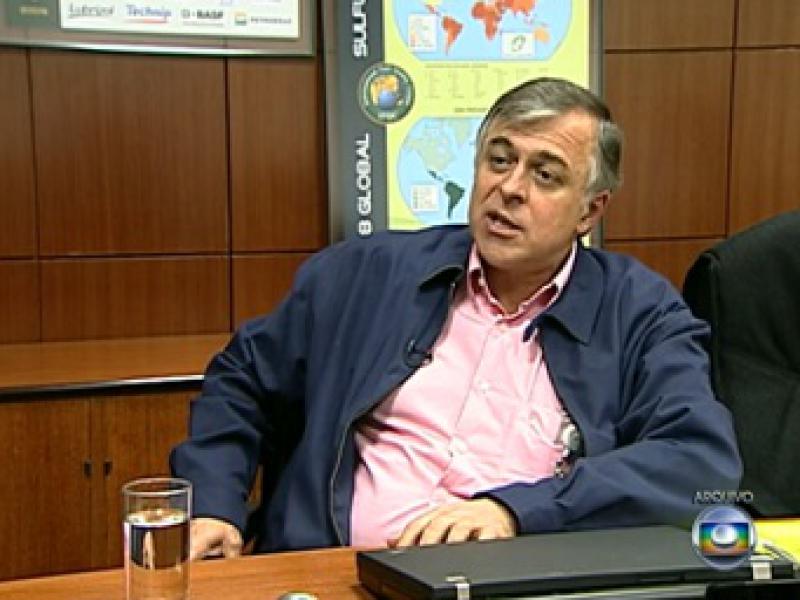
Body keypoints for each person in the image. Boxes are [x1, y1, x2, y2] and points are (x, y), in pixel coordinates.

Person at [170, 77, 742, 560]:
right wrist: (214, 504)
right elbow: (242, 377)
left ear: (590, 211)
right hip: (334, 573)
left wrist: (516, 511)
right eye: (500, 159)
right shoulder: (366, 273)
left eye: (545, 175)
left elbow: (699, 462)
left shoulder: (639, 312)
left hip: (516, 582)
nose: (509, 189)